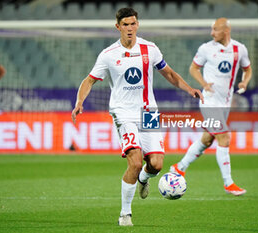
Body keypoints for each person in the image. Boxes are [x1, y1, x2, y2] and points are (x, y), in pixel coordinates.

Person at [71, 8, 203, 227]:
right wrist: (79, 102)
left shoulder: (150, 49)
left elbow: (168, 73)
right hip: (123, 113)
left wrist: (190, 90)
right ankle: (125, 214)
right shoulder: (108, 54)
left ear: (138, 25)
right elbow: (89, 80)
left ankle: (144, 179)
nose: (130, 28)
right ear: (118, 27)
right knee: (134, 160)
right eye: (125, 24)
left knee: (157, 164)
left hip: (148, 112)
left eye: (133, 24)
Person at [170, 18, 252, 196]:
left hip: (225, 103)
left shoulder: (240, 49)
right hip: (209, 101)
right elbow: (193, 68)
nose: (211, 33)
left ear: (226, 31)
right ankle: (228, 183)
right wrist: (204, 84)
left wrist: (244, 82)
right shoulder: (206, 49)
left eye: (215, 29)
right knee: (224, 137)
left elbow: (248, 69)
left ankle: (179, 167)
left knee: (207, 139)